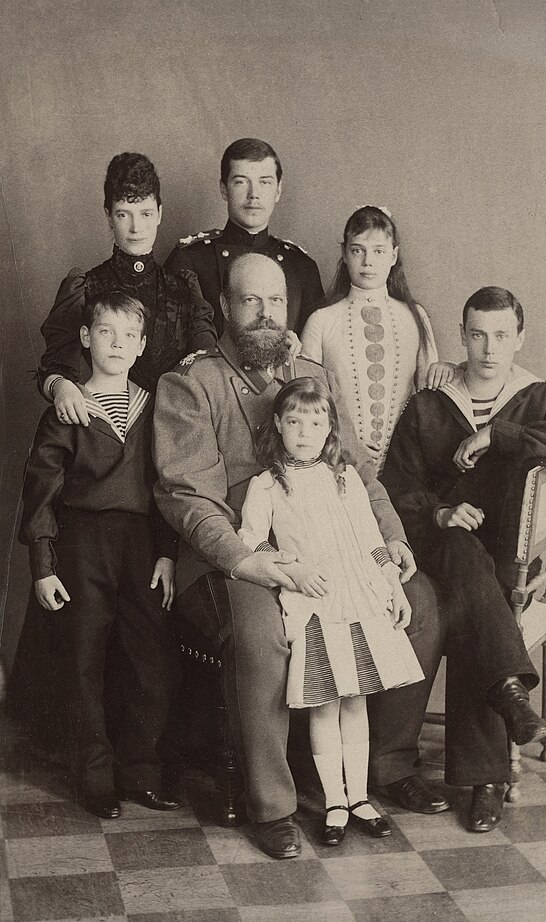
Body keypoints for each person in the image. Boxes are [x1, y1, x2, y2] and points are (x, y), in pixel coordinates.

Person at [153, 252, 448, 860]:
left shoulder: (311, 372)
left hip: (331, 549)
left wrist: (392, 541)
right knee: (262, 635)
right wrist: (247, 560)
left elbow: (362, 474)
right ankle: (274, 805)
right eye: (251, 301)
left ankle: (374, 771)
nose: (266, 315)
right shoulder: (192, 382)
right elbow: (187, 497)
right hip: (236, 555)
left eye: (278, 302)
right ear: (226, 308)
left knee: (418, 605)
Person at [380, 286, 546, 832]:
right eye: (477, 334)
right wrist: (440, 515)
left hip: (502, 557)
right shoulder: (430, 403)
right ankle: (493, 760)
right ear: (462, 335)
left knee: (476, 591)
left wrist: (499, 435)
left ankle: (488, 756)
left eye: (502, 335)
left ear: (519, 337)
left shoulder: (539, 398)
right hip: (432, 549)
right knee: (465, 562)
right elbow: (393, 486)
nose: (489, 348)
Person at [238, 377, 424, 845]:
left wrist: (392, 588)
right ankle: (335, 803)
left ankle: (360, 797)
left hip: (358, 599)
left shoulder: (345, 479)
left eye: (316, 423)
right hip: (313, 603)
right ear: (278, 424)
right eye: (295, 422)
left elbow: (371, 540)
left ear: (329, 429)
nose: (305, 433)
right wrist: (291, 570)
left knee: (355, 701)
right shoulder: (267, 485)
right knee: (325, 704)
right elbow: (253, 541)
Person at [18, 291, 182, 819]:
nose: (117, 343)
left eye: (128, 335)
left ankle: (141, 771)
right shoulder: (69, 408)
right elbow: (41, 490)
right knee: (83, 660)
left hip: (140, 545)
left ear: (141, 346)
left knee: (150, 659)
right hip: (81, 542)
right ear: (86, 338)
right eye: (105, 332)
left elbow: (167, 485)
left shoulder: (155, 406)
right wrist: (43, 565)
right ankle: (94, 775)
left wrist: (167, 554)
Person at [38, 151, 216, 425]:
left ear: (159, 213)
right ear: (109, 216)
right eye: (124, 214)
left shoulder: (184, 290)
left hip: (176, 433)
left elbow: (207, 367)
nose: (136, 228)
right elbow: (55, 366)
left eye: (145, 213)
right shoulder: (85, 288)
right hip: (107, 432)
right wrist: (61, 386)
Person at [301, 205, 454, 471]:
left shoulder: (415, 317)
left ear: (393, 255)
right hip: (337, 461)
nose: (367, 262)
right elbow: (306, 400)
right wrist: (345, 441)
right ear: (345, 254)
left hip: (405, 465)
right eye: (357, 250)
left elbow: (428, 397)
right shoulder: (321, 320)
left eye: (378, 251)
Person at [165, 137, 324, 336]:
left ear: (278, 190)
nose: (253, 194)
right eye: (241, 182)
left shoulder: (301, 266)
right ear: (224, 189)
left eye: (264, 182)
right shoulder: (190, 259)